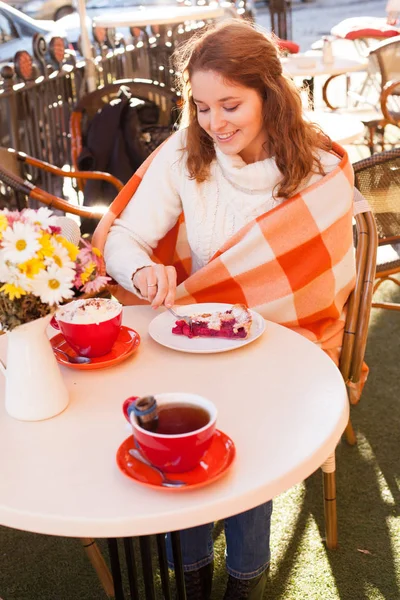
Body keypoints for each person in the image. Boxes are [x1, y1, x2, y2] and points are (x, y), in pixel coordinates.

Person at [99, 19, 357, 600]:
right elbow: (123, 239)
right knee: (180, 419)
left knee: (243, 413)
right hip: (199, 334)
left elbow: (324, 284)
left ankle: (245, 577)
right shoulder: (187, 152)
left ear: (270, 92)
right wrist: (141, 269)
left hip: (290, 343)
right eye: (202, 106)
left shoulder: (314, 169)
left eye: (231, 105)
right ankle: (190, 568)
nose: (215, 123)